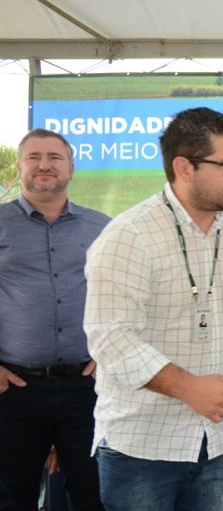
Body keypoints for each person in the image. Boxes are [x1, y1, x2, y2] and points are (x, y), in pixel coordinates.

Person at [83, 107, 223, 511]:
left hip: (220, 443)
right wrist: (189, 387)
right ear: (183, 168)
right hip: (142, 447)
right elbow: (110, 339)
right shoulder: (128, 235)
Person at [0, 128, 109, 511]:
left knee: (96, 498)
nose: (44, 165)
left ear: (71, 168)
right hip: (13, 391)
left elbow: (130, 296)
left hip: (89, 389)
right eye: (33, 157)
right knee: (13, 499)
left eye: (54, 157)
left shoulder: (103, 227)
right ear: (20, 167)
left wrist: (111, 354)